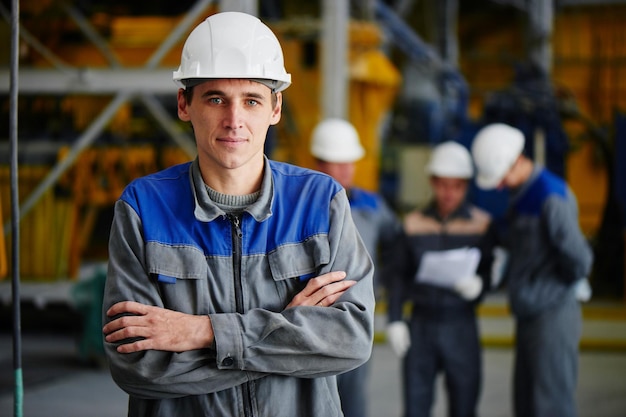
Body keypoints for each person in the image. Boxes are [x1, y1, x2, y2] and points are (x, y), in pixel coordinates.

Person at [101, 12, 375, 417]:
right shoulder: (143, 208)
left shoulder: (320, 201)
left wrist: (201, 332)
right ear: (184, 104)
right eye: (216, 99)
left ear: (275, 108)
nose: (234, 120)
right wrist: (288, 337)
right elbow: (137, 366)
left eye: (251, 100)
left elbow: (350, 340)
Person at [471, 123, 593, 417]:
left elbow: (579, 259)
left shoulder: (550, 196)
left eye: (501, 178)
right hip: (531, 312)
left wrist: (553, 286)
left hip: (552, 315)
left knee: (550, 404)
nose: (498, 185)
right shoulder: (523, 194)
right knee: (528, 403)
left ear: (517, 161)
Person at [385, 141, 493, 417]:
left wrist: (480, 286)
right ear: (432, 182)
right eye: (443, 185)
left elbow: (491, 268)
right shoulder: (412, 224)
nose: (449, 193)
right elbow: (397, 275)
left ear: (466, 185)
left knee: (464, 405)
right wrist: (395, 319)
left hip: (461, 323)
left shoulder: (481, 225)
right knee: (416, 407)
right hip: (422, 323)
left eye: (456, 186)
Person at [310, 118, 403, 417]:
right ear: (318, 163)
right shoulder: (301, 206)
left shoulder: (372, 206)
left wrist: (381, 283)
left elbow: (396, 244)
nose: (346, 169)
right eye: (338, 163)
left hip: (358, 314)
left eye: (350, 162)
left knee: (354, 398)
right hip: (313, 318)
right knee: (311, 397)